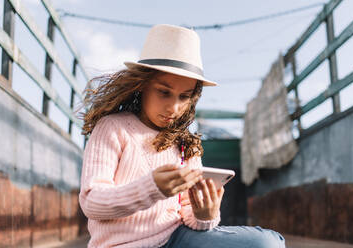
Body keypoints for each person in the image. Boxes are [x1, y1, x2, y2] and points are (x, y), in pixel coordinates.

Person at [78, 24, 285, 248]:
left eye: (184, 96)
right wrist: (152, 188)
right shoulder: (113, 128)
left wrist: (206, 215)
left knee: (269, 243)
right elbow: (92, 203)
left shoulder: (186, 145)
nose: (173, 108)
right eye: (164, 92)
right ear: (142, 85)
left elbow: (191, 218)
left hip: (177, 239)